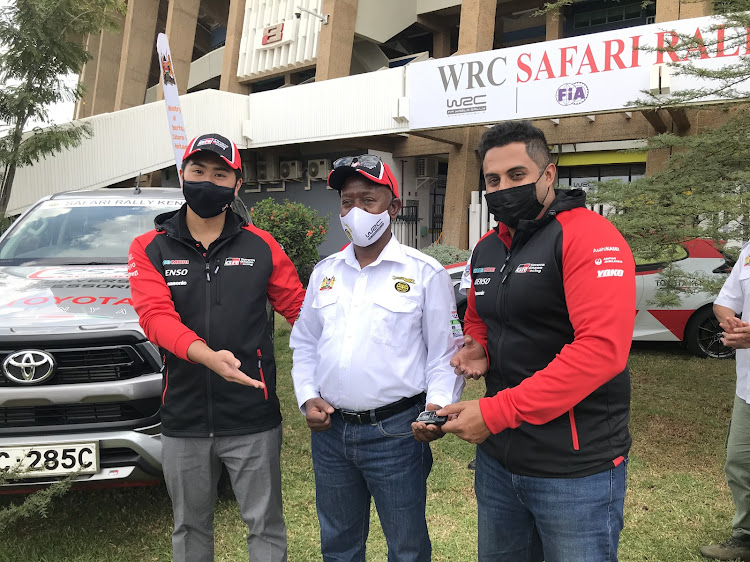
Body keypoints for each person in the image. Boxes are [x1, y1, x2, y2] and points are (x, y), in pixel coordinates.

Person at [440, 120, 636, 562]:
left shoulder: (589, 237)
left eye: (516, 176)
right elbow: (479, 317)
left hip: (573, 467)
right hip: (499, 461)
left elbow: (601, 350)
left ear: (548, 175)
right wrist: (479, 346)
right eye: (493, 180)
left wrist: (496, 411)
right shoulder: (487, 248)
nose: (503, 188)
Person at [128, 133, 304, 562]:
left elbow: (301, 312)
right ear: (182, 175)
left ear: (237, 184)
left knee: (265, 524)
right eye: (199, 170)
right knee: (189, 527)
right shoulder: (150, 247)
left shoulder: (262, 245)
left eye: (221, 173)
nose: (208, 180)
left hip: (252, 414)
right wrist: (208, 356)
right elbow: (155, 318)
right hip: (184, 416)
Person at [289, 154, 464, 562]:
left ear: (394, 207)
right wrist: (306, 396)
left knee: (405, 546)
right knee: (338, 544)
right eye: (347, 202)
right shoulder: (325, 272)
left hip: (398, 433)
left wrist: (436, 409)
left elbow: (445, 354)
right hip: (331, 434)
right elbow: (305, 342)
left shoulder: (426, 273)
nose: (356, 212)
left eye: (368, 200)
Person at [701, 247, 750, 561]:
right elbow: (725, 302)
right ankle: (745, 538)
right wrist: (731, 322)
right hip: (748, 386)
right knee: (740, 463)